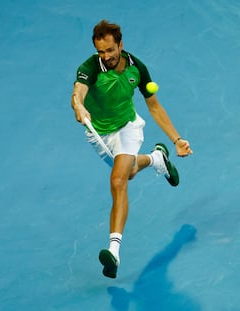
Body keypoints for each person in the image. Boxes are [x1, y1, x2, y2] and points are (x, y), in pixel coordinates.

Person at [71, 20, 193, 279]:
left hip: (128, 128)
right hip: (99, 135)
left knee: (117, 180)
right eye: (101, 52)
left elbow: (155, 107)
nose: (106, 56)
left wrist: (177, 139)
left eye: (110, 51)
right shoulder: (90, 67)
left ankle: (113, 251)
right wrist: (78, 106)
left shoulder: (137, 68)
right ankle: (156, 158)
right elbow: (78, 92)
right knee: (129, 172)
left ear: (120, 45)